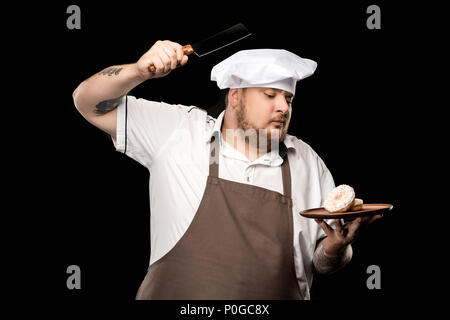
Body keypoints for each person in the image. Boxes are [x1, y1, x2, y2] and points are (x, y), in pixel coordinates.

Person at [72, 40, 382, 300]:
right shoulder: (179, 132)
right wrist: (139, 70)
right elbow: (87, 101)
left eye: (288, 98)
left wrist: (336, 248)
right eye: (270, 95)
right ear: (235, 96)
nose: (283, 108)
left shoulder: (308, 164)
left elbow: (321, 263)